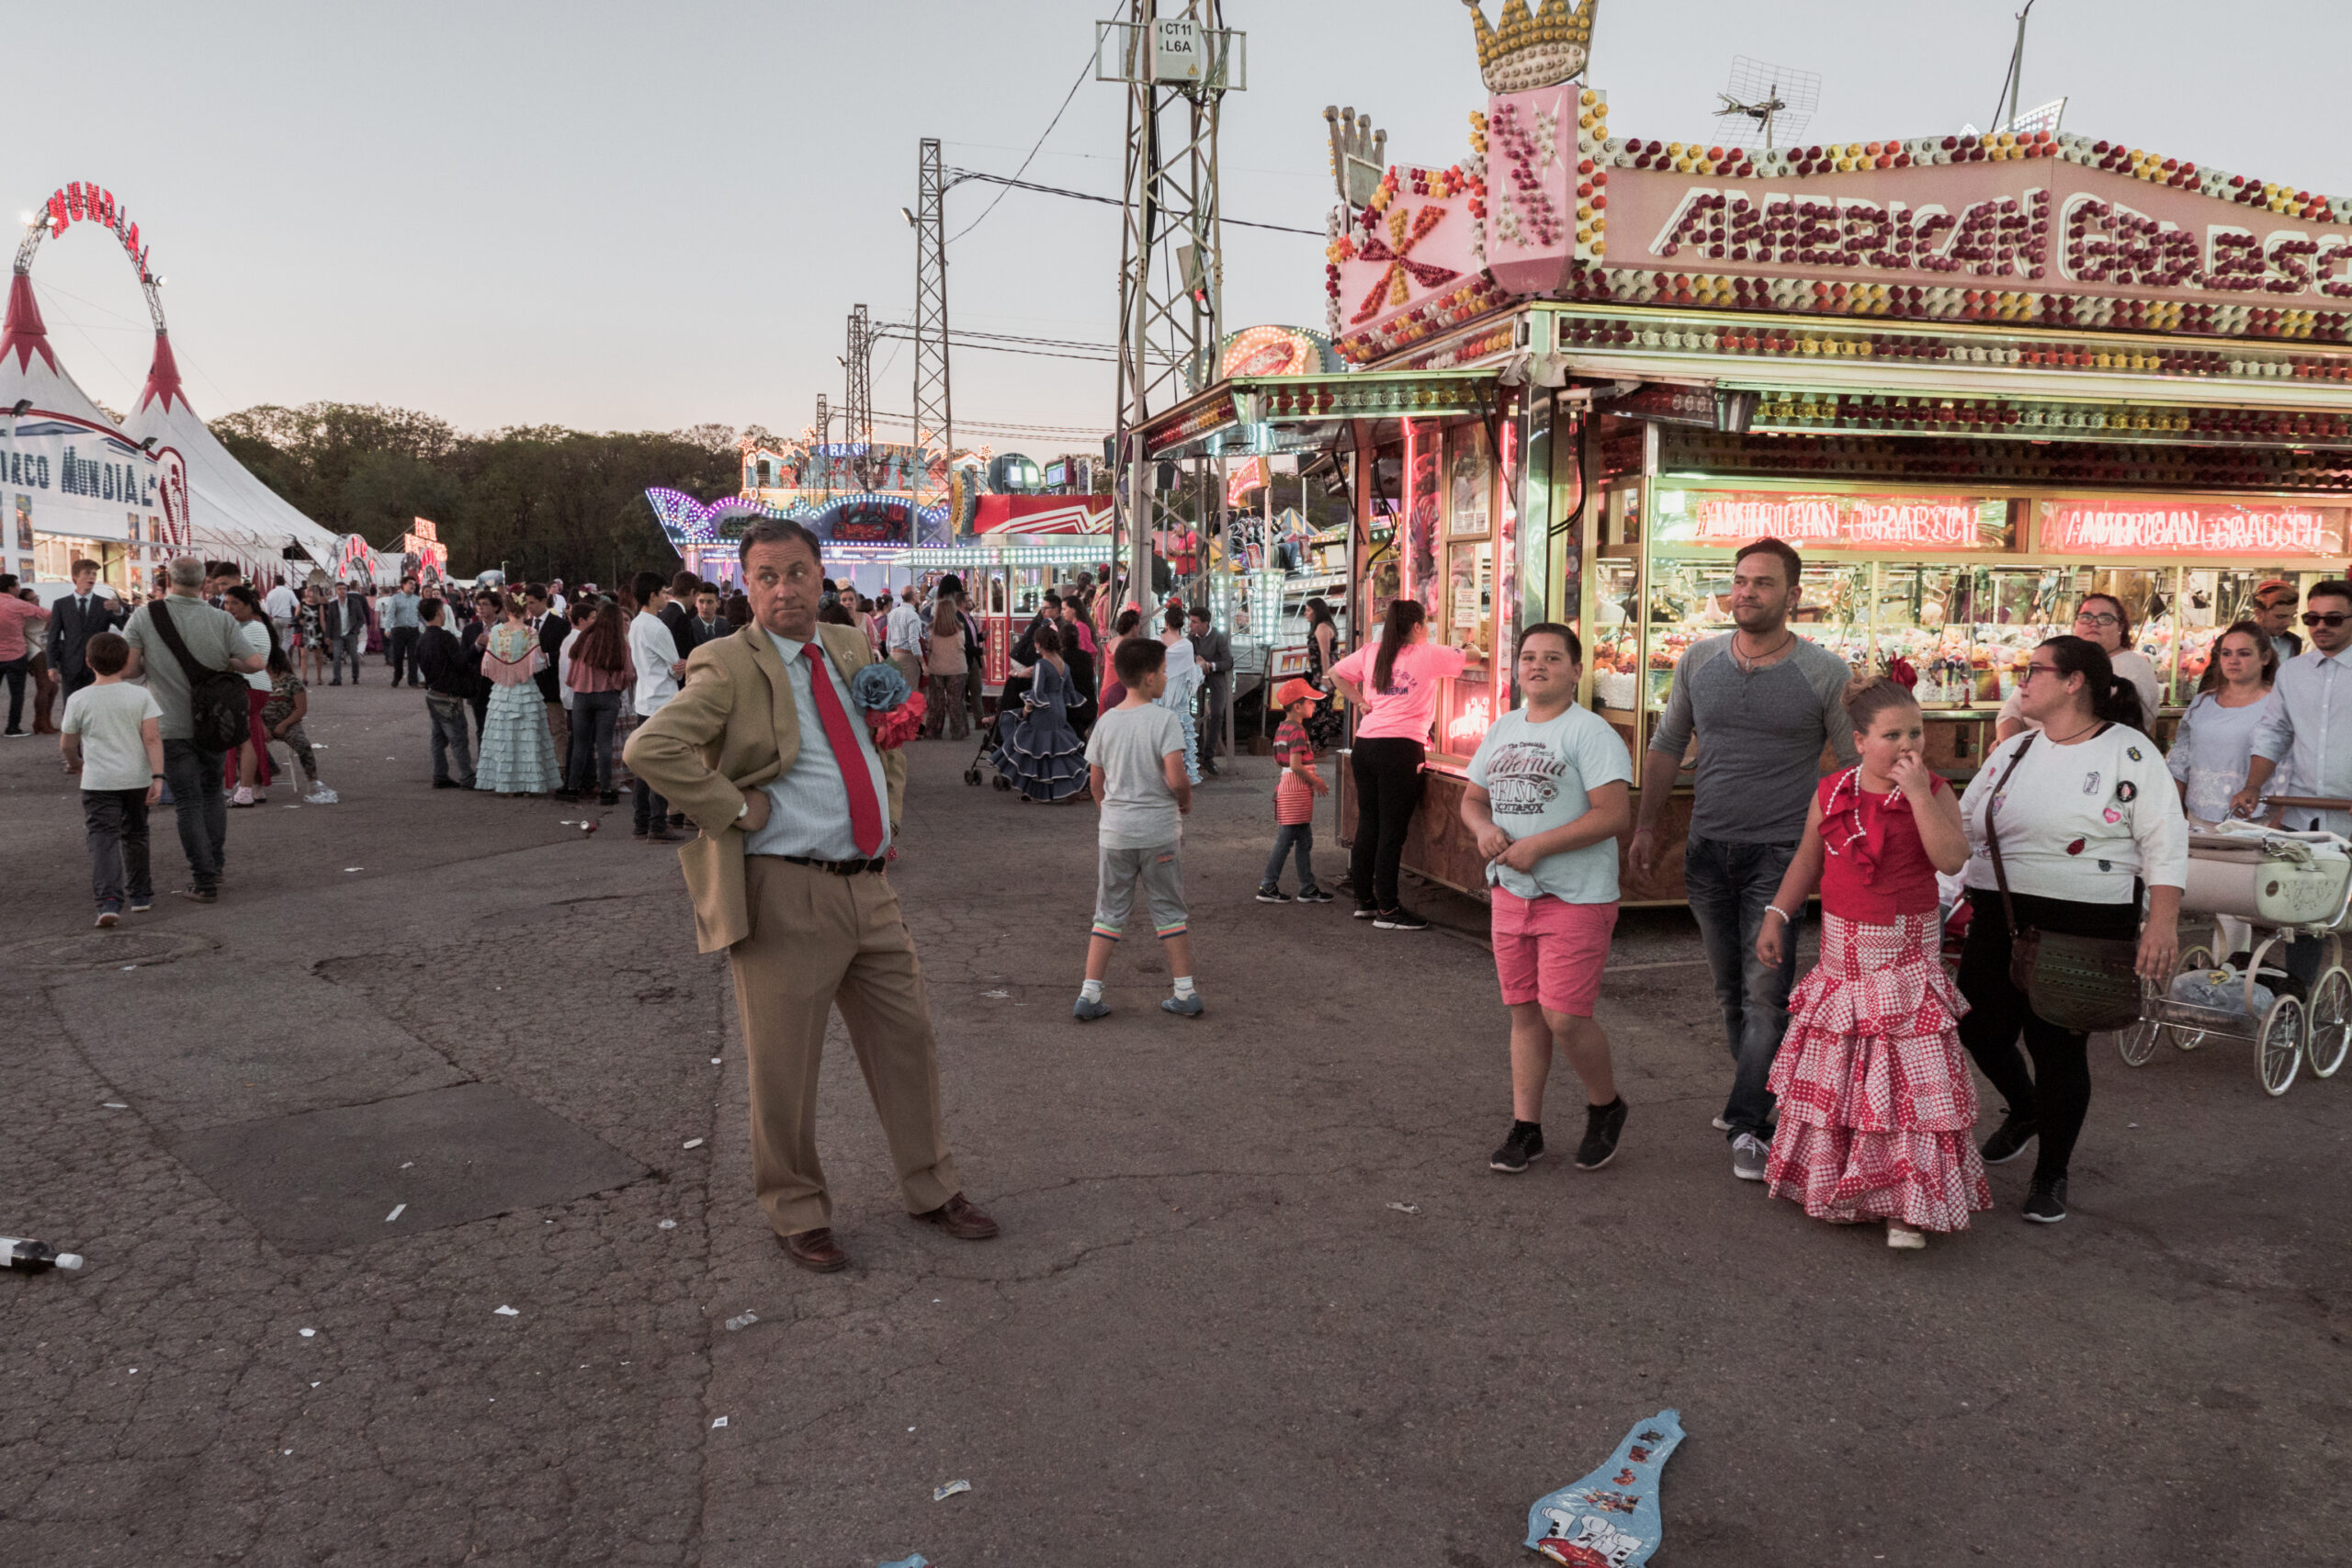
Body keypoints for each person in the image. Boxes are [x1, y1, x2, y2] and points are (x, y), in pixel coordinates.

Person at [624, 515, 999, 1272]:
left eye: (796, 572)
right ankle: (795, 1208)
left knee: (906, 1042)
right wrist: (732, 808)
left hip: (869, 886)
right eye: (766, 576)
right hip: (784, 889)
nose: (784, 588)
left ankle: (931, 1186)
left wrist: (887, 817)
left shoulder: (851, 645)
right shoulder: (725, 661)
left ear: (820, 574)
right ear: (746, 585)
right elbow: (649, 746)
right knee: (783, 1066)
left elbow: (885, 737)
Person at [1627, 537, 1859, 1181]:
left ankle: (1750, 1121)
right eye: (1739, 581)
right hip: (1707, 847)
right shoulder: (1700, 659)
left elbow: (1852, 766)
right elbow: (1669, 741)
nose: (1747, 592)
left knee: (1766, 995)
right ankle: (1763, 1098)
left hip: (1782, 855)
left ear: (1793, 595)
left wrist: (1835, 846)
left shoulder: (1824, 673)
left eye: (1762, 583)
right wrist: (1646, 825)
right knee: (1730, 990)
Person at [1959, 636, 2186, 1224]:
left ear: (2074, 682)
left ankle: (2051, 1173)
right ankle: (2026, 1109)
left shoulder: (2127, 750)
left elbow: (2164, 839)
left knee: (2057, 1048)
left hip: (2084, 919)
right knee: (1979, 1028)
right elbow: (1960, 825)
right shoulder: (2014, 750)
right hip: (1998, 913)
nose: (2022, 681)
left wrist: (2161, 923)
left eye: (2033, 670)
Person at [1753, 678, 1984, 1248]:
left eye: (1916, 732)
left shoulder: (1934, 789)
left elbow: (1952, 858)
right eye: (1891, 735)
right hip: (1843, 950)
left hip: (1905, 950)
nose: (1907, 745)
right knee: (1845, 1074)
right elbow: (1808, 861)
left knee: (1907, 1076)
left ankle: (1907, 1204)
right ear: (1860, 741)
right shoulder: (1831, 791)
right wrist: (1776, 916)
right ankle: (1842, 1186)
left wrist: (1921, 798)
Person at [1462, 625, 1635, 1177]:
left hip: (1577, 895)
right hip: (1511, 891)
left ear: (1576, 671)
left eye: (1553, 659)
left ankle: (1605, 1106)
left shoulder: (1591, 733)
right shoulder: (1505, 727)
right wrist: (1482, 830)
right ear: (1517, 668)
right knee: (1525, 1014)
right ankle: (1526, 1128)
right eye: (1529, 657)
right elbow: (1472, 800)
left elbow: (1613, 815)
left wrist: (1537, 846)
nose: (1538, 666)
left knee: (1564, 1015)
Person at [119, 556, 266, 903]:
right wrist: (222, 661)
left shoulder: (144, 615)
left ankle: (204, 880)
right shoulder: (221, 618)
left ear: (168, 580)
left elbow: (128, 668)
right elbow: (255, 662)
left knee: (187, 801)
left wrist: (154, 665)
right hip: (214, 722)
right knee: (213, 792)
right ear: (205, 584)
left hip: (169, 723)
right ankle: (214, 866)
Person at [1074, 635, 1201, 1021]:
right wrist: (1184, 800)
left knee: (1108, 912)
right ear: (1149, 678)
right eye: (1163, 672)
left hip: (1116, 832)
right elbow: (1177, 777)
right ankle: (1184, 991)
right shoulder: (1165, 721)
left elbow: (1096, 783)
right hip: (1159, 831)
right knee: (1168, 911)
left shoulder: (1106, 723)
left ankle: (1090, 994)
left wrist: (1107, 813)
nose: (1166, 678)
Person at [1329, 598, 1471, 931]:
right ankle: (1389, 910)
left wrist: (1361, 702)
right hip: (1401, 749)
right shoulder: (1429, 654)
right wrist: (1470, 645)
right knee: (1392, 832)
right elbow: (1472, 658)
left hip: (1366, 745)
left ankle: (1365, 901)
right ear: (1418, 626)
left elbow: (1335, 673)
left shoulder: (1370, 651)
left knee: (1370, 824)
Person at [59, 630, 163, 928]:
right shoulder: (141, 695)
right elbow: (152, 738)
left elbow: (67, 742)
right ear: (125, 661)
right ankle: (141, 895)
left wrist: (75, 762)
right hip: (136, 776)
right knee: (137, 834)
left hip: (99, 779)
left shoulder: (79, 699)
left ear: (89, 661)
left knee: (102, 838)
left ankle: (109, 901)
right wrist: (157, 776)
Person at [1995, 594, 2160, 742]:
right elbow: (2012, 709)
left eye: (2105, 618)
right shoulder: (2061, 659)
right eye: (2086, 617)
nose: (2093, 624)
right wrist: (2009, 746)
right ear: (2075, 624)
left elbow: (2085, 728)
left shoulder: (2134, 666)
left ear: (2120, 627)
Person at [474, 592, 560, 795]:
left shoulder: (496, 631)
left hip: (502, 692)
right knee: (527, 737)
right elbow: (537, 664)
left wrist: (505, 671)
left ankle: (507, 784)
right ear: (525, 610)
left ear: (506, 609)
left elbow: (487, 663)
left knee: (504, 737)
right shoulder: (530, 632)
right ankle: (529, 784)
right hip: (526, 690)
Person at [990, 623, 1088, 802]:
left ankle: (1035, 790)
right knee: (1055, 751)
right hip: (1059, 709)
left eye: (1035, 642)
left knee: (1033, 748)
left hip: (1044, 711)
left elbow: (1037, 692)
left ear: (1039, 643)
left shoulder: (1042, 664)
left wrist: (1027, 709)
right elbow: (1069, 691)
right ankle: (1064, 788)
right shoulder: (1063, 664)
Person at [1256, 676, 1332, 903]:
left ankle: (1307, 886)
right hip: (1297, 788)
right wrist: (1316, 781)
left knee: (1302, 838)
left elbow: (1278, 761)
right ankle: (1268, 885)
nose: (1314, 705)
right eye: (1310, 702)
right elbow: (1297, 765)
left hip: (1286, 785)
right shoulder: (1298, 731)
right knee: (1288, 838)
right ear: (1297, 706)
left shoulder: (1282, 728)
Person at [628, 570, 686, 840]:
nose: (666, 597)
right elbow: (676, 668)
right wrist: (684, 667)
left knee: (642, 765)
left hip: (644, 699)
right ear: (653, 596)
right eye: (663, 592)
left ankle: (641, 822)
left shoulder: (637, 624)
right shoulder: (657, 626)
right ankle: (657, 824)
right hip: (662, 700)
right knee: (661, 765)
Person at [559, 602, 628, 804]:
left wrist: (574, 684)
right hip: (608, 695)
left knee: (580, 743)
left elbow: (572, 670)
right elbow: (627, 673)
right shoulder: (619, 643)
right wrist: (617, 687)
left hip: (582, 695)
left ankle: (573, 787)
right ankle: (606, 790)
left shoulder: (583, 638)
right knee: (604, 743)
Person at [260, 636, 336, 805]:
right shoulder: (260, 681)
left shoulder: (292, 682)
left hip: (288, 724)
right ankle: (266, 772)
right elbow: (253, 708)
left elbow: (300, 709)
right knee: (246, 743)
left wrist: (283, 724)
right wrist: (262, 726)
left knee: (302, 743)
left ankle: (312, 780)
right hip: (263, 724)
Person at [220, 586, 277, 807]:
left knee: (245, 740)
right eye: (227, 603)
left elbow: (236, 656)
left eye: (234, 603)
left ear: (248, 605)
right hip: (252, 686)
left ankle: (245, 789)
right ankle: (254, 787)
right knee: (250, 737)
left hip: (248, 686)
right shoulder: (249, 626)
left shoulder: (252, 627)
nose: (229, 608)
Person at [414, 596, 477, 790]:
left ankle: (440, 774)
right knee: (458, 738)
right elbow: (460, 663)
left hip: (433, 692)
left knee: (438, 737)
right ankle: (467, 776)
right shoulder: (445, 637)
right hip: (448, 695)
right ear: (440, 612)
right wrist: (476, 649)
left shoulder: (422, 639)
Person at [46, 559, 119, 699]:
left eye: (94, 574)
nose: (92, 577)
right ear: (75, 577)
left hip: (99, 667)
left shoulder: (105, 604)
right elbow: (53, 637)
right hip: (70, 666)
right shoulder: (61, 605)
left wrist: (119, 610)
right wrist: (51, 666)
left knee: (97, 707)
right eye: (87, 573)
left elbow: (126, 626)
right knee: (70, 708)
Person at [1154, 605, 1204, 785]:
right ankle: (1180, 774)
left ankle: (1159, 774)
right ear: (1182, 624)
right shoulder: (1186, 646)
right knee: (1180, 736)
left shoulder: (1155, 642)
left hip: (1159, 695)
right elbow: (1191, 677)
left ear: (1166, 623)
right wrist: (1199, 667)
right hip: (1178, 700)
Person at [0, 570, 50, 737]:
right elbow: (46, 614)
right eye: (17, 585)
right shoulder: (17, 604)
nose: (19, 589)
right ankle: (12, 728)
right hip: (15, 654)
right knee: (17, 694)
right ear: (10, 588)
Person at [1188, 605, 1232, 777]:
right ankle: (1195, 752)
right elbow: (1186, 654)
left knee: (1216, 714)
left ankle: (1208, 756)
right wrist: (1196, 659)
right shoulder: (1191, 638)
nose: (1191, 626)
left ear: (1205, 624)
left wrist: (1210, 665)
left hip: (1215, 677)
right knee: (1194, 714)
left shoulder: (1218, 638)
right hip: (1196, 678)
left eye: (1194, 622)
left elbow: (1228, 662)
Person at [1301, 596, 1343, 752]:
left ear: (1317, 611)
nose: (1306, 613)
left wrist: (1325, 677)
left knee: (1319, 709)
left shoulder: (1322, 627)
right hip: (1322, 675)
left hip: (1324, 676)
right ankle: (1341, 735)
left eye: (1309, 610)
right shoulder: (1322, 626)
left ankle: (1319, 746)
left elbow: (1325, 653)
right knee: (1324, 708)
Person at [2252, 579, 2302, 667]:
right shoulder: (2234, 640)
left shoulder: (2293, 642)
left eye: (2292, 616)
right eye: (2280, 617)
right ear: (2259, 613)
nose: (2287, 623)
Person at [886, 584, 925, 697]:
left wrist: (892, 654)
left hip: (893, 655)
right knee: (910, 694)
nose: (919, 594)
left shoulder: (892, 613)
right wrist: (922, 662)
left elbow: (889, 638)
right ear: (913, 597)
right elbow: (913, 641)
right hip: (907, 657)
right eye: (917, 592)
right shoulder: (912, 615)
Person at [384, 577, 424, 686]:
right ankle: (398, 676)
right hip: (399, 630)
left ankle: (413, 680)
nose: (412, 586)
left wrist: (428, 626)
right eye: (410, 583)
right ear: (403, 584)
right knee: (398, 656)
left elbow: (421, 616)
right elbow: (390, 614)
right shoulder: (395, 598)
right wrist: (387, 628)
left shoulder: (417, 599)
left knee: (413, 656)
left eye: (414, 584)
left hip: (413, 631)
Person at [661, 569, 703, 659]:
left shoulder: (662, 613)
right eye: (697, 595)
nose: (696, 602)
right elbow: (685, 653)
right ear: (692, 592)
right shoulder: (681, 618)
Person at [295, 586, 327, 686]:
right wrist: (298, 621)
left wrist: (325, 634)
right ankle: (304, 678)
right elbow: (296, 618)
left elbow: (322, 621)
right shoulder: (301, 605)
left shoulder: (319, 606)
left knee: (318, 657)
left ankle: (319, 677)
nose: (308, 593)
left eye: (311, 591)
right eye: (307, 591)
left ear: (315, 593)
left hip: (316, 632)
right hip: (304, 632)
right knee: (304, 656)